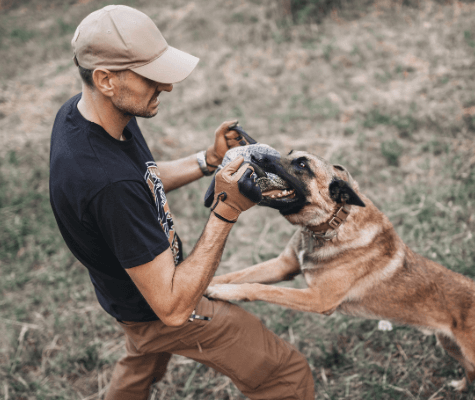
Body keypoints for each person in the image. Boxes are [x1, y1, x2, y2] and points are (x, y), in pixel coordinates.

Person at [48, 5, 314, 399]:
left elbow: (142, 180)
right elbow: (172, 308)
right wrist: (226, 209)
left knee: (142, 357)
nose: (167, 87)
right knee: (286, 375)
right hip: (162, 307)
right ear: (106, 79)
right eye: (152, 77)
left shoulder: (85, 115)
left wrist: (205, 160)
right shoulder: (107, 183)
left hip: (128, 298)